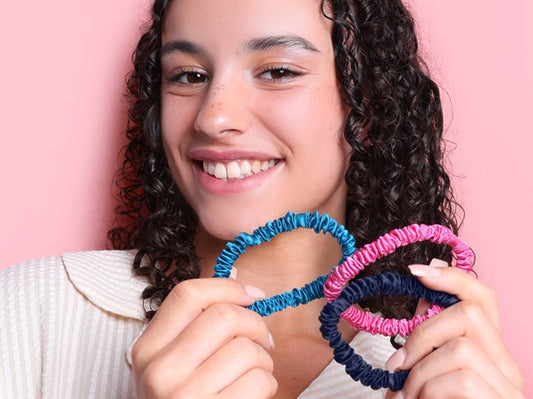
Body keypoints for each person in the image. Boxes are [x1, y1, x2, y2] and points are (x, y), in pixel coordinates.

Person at [0, 0, 525, 398]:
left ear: (366, 103)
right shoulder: (37, 311)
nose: (213, 117)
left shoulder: (439, 363)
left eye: (277, 72)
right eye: (188, 76)